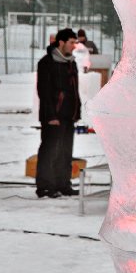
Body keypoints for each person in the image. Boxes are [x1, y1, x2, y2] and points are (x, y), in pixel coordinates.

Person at [35, 28, 81, 198]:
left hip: (69, 115)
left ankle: (63, 184)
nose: (74, 46)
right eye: (71, 42)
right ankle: (45, 186)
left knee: (65, 151)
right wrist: (50, 116)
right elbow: (44, 92)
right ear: (61, 42)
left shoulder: (71, 63)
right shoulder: (46, 63)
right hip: (53, 116)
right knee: (50, 151)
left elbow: (74, 91)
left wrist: (77, 111)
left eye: (75, 42)